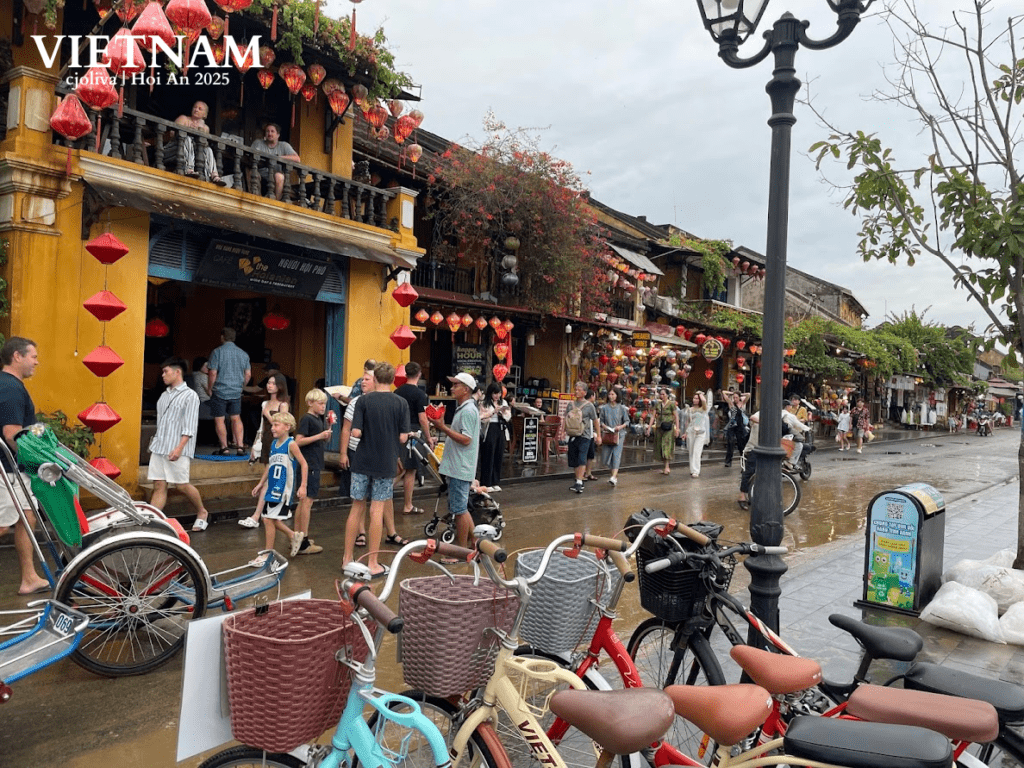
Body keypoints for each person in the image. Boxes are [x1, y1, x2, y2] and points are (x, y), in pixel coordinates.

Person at [345, 362, 409, 578]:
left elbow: (355, 432)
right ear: (392, 380)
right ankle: (372, 562)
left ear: (376, 378)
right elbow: (402, 437)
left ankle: (347, 559)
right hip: (386, 462)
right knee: (377, 511)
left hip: (362, 461)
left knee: (357, 508)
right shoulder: (401, 403)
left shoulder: (363, 401)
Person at [0, 338, 51, 596]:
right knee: (2, 524)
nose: (37, 362)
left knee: (27, 516)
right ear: (17, 356)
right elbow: (11, 433)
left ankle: (29, 577)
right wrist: (39, 457)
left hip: (14, 469)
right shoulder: (9, 387)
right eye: (33, 356)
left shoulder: (10, 385)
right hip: (8, 470)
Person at [147, 357, 212, 532]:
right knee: (159, 485)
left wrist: (179, 447)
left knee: (181, 485)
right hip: (159, 446)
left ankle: (202, 512)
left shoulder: (190, 396)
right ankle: (152, 521)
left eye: (165, 371)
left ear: (177, 372)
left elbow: (190, 426)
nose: (162, 375)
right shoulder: (164, 395)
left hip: (178, 447)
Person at [427, 372, 480, 555]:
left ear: (466, 389)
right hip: (458, 466)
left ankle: (462, 550)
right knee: (461, 508)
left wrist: (442, 427)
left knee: (460, 510)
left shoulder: (467, 410)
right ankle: (476, 544)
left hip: (460, 467)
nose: (452, 388)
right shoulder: (464, 408)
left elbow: (466, 439)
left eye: (456, 385)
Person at [248, 411, 307, 568]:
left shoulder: (291, 444)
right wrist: (261, 484)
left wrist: (303, 486)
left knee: (267, 519)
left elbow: (304, 464)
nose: (272, 428)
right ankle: (293, 535)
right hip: (272, 488)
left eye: (276, 425)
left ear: (287, 427)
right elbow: (270, 467)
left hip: (282, 491)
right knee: (271, 519)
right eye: (272, 425)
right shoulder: (274, 445)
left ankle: (268, 554)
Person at [238, 372, 290, 528]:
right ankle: (274, 512)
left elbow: (283, 425)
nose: (270, 385)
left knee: (269, 479)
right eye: (269, 383)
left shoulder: (283, 404)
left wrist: (267, 414)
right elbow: (261, 428)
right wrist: (255, 447)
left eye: (273, 383)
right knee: (270, 478)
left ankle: (256, 516)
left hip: (278, 444)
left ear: (280, 386)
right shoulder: (264, 403)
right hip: (266, 441)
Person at [290, 389, 332, 556]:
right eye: (320, 403)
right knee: (307, 502)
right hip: (310, 463)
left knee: (304, 501)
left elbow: (321, 438)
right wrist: (319, 436)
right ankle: (304, 541)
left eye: (324, 404)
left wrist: (326, 432)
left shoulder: (318, 419)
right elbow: (298, 441)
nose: (323, 407)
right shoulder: (307, 419)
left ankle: (297, 535)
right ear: (310, 403)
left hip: (314, 461)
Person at [394, 362, 432, 515]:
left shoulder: (396, 392)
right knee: (410, 470)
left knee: (399, 467)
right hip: (413, 434)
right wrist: (429, 437)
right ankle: (407, 505)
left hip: (397, 432)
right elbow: (423, 419)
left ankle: (381, 495)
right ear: (419, 374)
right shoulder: (420, 394)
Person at [207, 327, 251, 456]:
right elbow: (247, 374)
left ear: (222, 337)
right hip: (236, 392)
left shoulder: (217, 352)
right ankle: (240, 447)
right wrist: (241, 386)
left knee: (220, 420)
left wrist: (210, 388)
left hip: (220, 390)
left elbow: (213, 373)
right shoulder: (243, 354)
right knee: (236, 418)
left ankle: (224, 448)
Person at [173, 101, 225, 185]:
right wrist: (188, 129)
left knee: (208, 150)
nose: (196, 110)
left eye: (200, 109)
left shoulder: (205, 128)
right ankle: (189, 168)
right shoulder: (184, 118)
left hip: (194, 153)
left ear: (204, 115)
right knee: (188, 139)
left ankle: (214, 175)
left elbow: (204, 144)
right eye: (195, 107)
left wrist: (199, 129)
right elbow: (173, 134)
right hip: (176, 149)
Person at [252, 122, 301, 201]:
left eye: (272, 131)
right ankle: (257, 199)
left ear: (278, 135)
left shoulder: (284, 145)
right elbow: (251, 156)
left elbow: (297, 159)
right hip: (260, 174)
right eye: (267, 131)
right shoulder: (258, 143)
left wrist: (278, 157)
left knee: (279, 176)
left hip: (275, 176)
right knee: (253, 173)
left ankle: (276, 201)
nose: (269, 133)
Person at [478, 381, 511, 490]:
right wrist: (492, 412)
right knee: (488, 455)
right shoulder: (484, 403)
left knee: (498, 454)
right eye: (494, 393)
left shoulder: (504, 402)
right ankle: (486, 482)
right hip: (489, 427)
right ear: (490, 393)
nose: (497, 396)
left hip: (500, 428)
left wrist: (502, 413)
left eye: (499, 393)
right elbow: (481, 417)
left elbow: (508, 416)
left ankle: (495, 481)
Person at [567, 381, 598, 494]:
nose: (576, 391)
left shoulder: (590, 406)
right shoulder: (571, 404)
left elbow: (595, 421)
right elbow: (566, 419)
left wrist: (598, 435)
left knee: (582, 458)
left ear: (585, 392)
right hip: (572, 435)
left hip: (585, 436)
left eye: (579, 390)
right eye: (575, 389)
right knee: (573, 458)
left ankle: (579, 482)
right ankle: (578, 481)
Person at [598, 388, 629, 487]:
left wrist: (620, 427)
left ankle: (614, 477)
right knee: (606, 456)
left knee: (616, 454)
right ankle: (613, 476)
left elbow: (627, 421)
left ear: (617, 395)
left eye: (613, 394)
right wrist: (604, 426)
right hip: (608, 434)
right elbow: (601, 421)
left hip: (619, 434)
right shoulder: (604, 408)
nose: (611, 396)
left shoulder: (622, 408)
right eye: (609, 394)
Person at [649, 388, 680, 476]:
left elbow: (676, 417)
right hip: (659, 427)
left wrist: (677, 429)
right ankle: (664, 465)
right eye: (660, 394)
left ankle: (667, 466)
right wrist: (649, 427)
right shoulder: (657, 404)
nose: (661, 396)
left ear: (667, 395)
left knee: (667, 445)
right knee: (660, 446)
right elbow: (653, 416)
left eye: (663, 394)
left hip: (669, 428)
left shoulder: (671, 404)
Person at [685, 390, 713, 478]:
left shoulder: (704, 409)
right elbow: (688, 422)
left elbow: (704, 401)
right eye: (694, 398)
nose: (695, 400)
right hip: (691, 432)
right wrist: (685, 432)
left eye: (697, 398)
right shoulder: (690, 410)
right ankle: (692, 469)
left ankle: (696, 471)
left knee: (697, 451)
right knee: (691, 451)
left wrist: (701, 394)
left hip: (700, 433)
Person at [721, 389, 751, 468]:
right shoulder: (731, 404)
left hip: (740, 426)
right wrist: (732, 393)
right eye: (734, 397)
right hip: (732, 425)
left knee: (741, 444)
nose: (735, 399)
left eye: (736, 397)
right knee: (730, 443)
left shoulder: (742, 403)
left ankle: (743, 460)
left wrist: (741, 394)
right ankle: (728, 461)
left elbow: (748, 394)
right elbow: (724, 392)